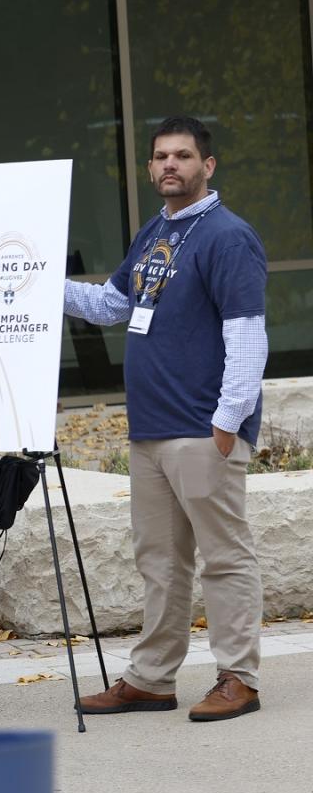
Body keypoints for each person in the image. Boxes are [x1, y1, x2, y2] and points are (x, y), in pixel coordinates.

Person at [63, 115, 268, 723]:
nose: (169, 165)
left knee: (225, 557)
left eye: (182, 156)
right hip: (150, 431)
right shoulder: (155, 232)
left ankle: (239, 678)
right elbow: (110, 304)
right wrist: (38, 281)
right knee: (159, 561)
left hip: (203, 430)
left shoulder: (228, 237)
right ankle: (151, 679)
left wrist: (228, 420)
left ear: (208, 166)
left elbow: (247, 335)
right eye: (160, 157)